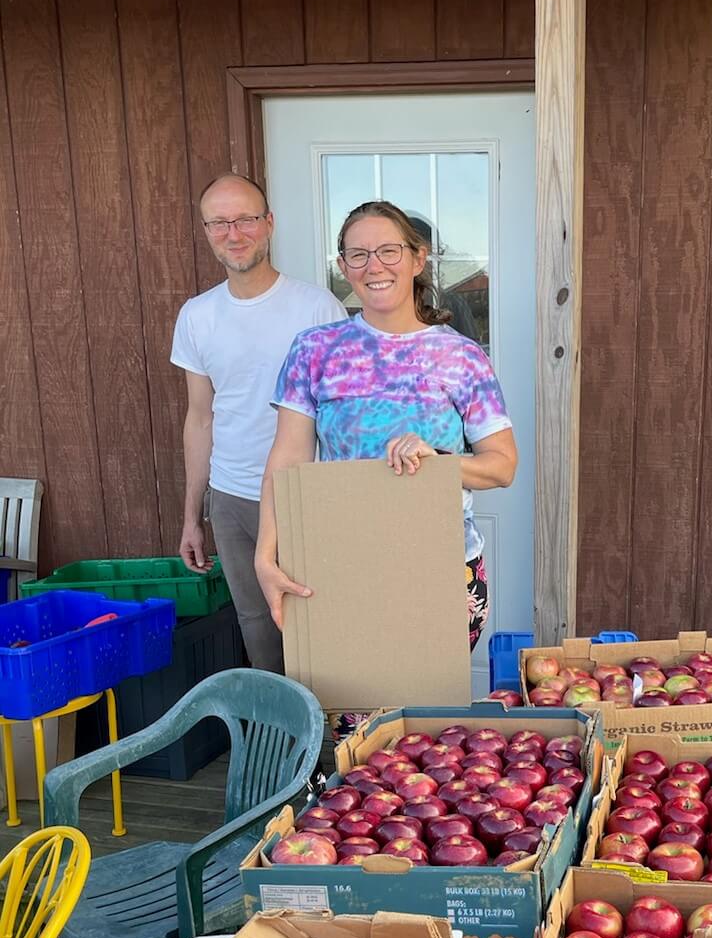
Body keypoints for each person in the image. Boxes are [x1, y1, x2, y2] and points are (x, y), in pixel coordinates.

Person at [254, 198, 517, 655]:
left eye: (389, 251)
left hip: (442, 567)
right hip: (338, 565)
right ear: (344, 266)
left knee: (430, 721)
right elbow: (287, 460)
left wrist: (439, 463)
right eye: (358, 254)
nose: (374, 265)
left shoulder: (462, 357)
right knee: (349, 720)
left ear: (417, 259)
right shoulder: (316, 350)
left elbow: (502, 466)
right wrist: (266, 555)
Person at [171, 173, 345, 673]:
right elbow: (200, 418)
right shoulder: (197, 316)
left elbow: (339, 414)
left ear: (268, 224)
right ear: (206, 231)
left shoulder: (317, 308)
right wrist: (192, 515)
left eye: (246, 218)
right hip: (232, 499)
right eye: (220, 222)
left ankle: (340, 746)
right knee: (258, 627)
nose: (234, 232)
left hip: (306, 496)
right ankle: (289, 748)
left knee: (323, 625)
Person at [405, 213, 482, 344]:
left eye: (431, 256)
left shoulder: (454, 303)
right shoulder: (388, 306)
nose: (423, 263)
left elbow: (471, 350)